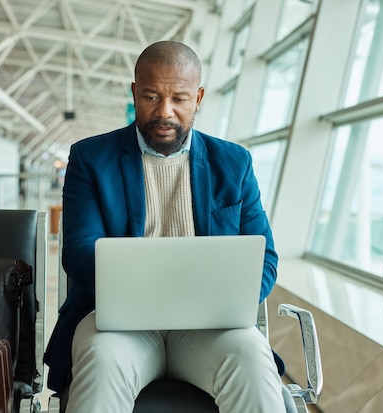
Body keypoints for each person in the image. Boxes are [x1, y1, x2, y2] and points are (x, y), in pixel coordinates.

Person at [43, 40, 286, 413]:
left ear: (199, 98)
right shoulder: (91, 158)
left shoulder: (233, 163)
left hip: (210, 328)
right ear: (135, 93)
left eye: (180, 99)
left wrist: (226, 298)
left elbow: (264, 259)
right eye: (152, 97)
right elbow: (77, 251)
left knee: (252, 359)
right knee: (102, 360)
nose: (165, 112)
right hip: (120, 325)